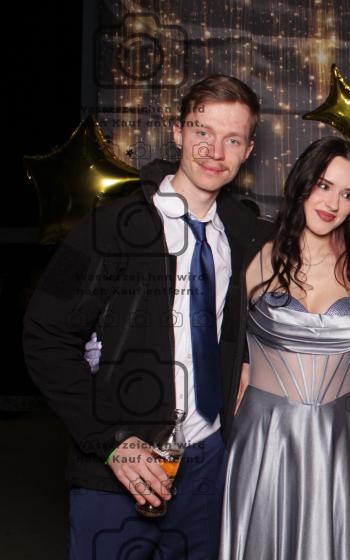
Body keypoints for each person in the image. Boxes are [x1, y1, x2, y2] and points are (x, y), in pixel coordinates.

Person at [22, 75, 272, 558]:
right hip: (118, 466)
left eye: (232, 139)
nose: (214, 151)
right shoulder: (109, 225)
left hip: (207, 461)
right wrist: (111, 441)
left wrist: (244, 359)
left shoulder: (245, 233)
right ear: (177, 132)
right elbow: (44, 335)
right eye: (202, 131)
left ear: (248, 150)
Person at [218, 136, 350, 559]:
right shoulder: (253, 253)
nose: (333, 203)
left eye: (348, 194)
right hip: (266, 434)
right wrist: (239, 364)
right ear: (302, 183)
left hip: (340, 437)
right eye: (324, 186)